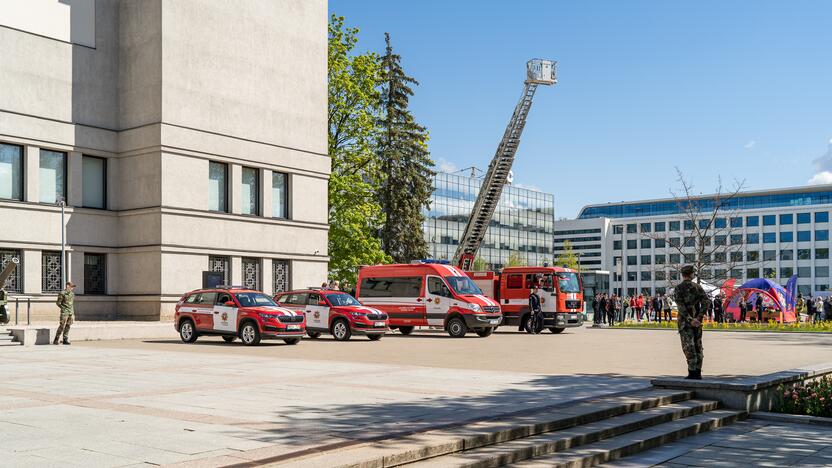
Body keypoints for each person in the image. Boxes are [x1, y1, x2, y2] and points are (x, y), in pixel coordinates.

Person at [673, 266, 710, 380]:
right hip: (697, 323)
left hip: (685, 323)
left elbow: (681, 307)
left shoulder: (679, 288)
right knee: (698, 346)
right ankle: (698, 372)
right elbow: (706, 302)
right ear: (691, 274)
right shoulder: (697, 287)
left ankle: (692, 372)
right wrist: (698, 318)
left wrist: (690, 319)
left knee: (688, 347)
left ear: (683, 275)